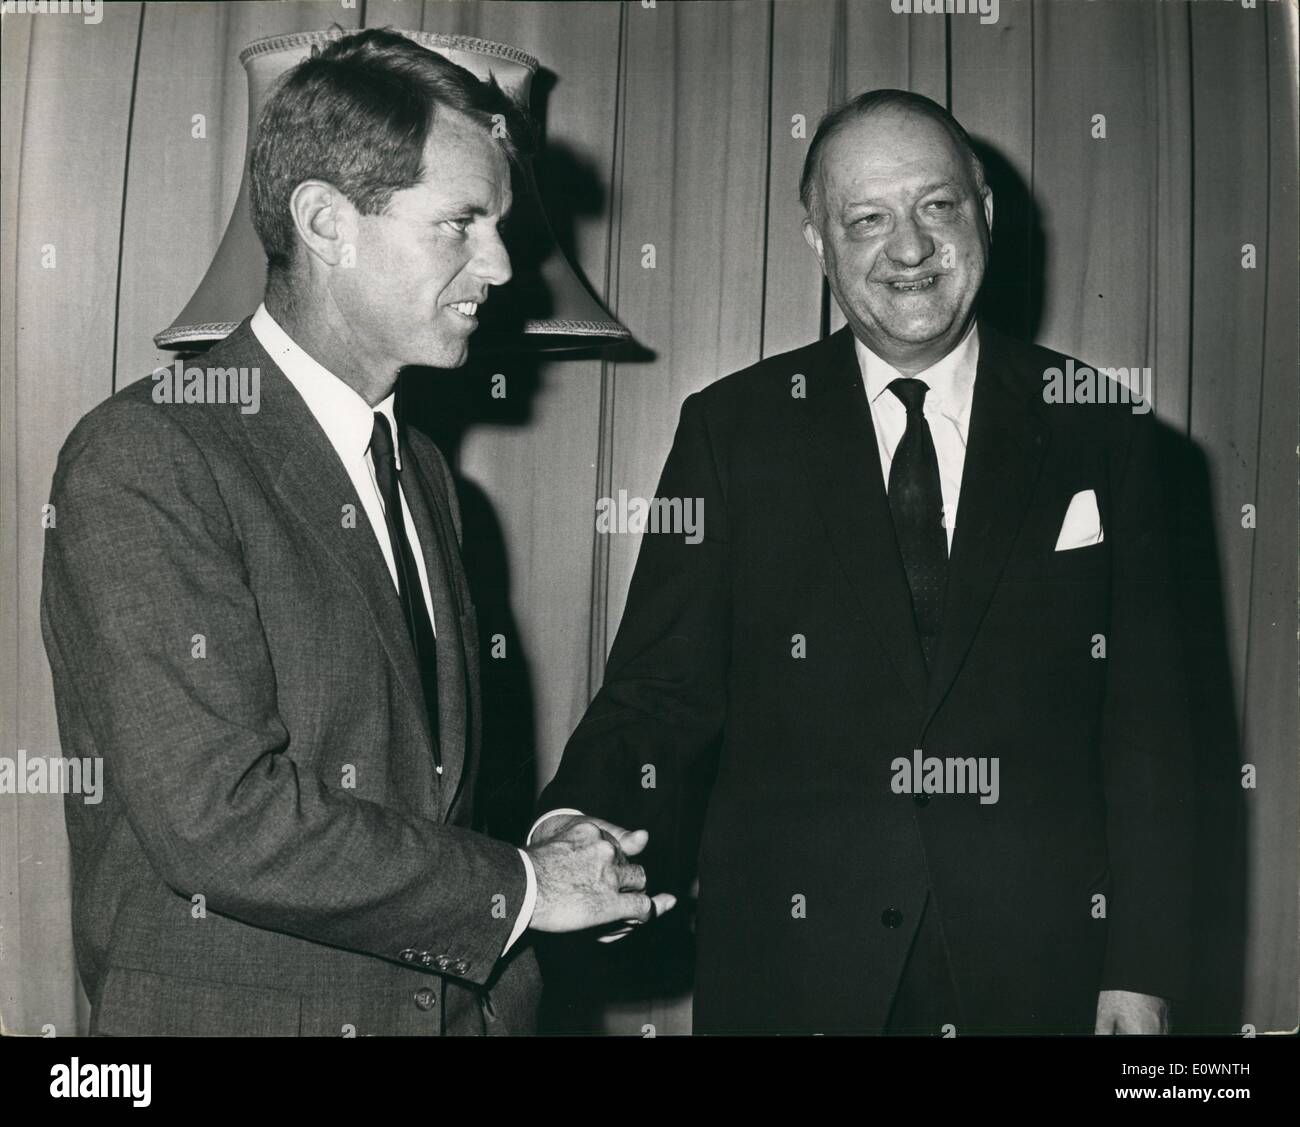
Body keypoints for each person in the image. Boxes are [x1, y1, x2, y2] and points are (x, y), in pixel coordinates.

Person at [40, 27, 667, 1038]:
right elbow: (217, 820)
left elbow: (421, 801)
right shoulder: (146, 453)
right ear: (327, 222)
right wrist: (524, 886)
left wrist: (542, 884)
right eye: (460, 222)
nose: (503, 264)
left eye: (498, 224)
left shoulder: (422, 473)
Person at [534, 90, 1193, 1035]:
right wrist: (579, 824)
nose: (911, 248)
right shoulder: (733, 432)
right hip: (793, 975)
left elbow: (1154, 733)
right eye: (867, 219)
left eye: (937, 206)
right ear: (819, 241)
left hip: (1045, 974)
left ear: (986, 213)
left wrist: (1143, 967)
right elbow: (660, 692)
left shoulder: (1106, 429)